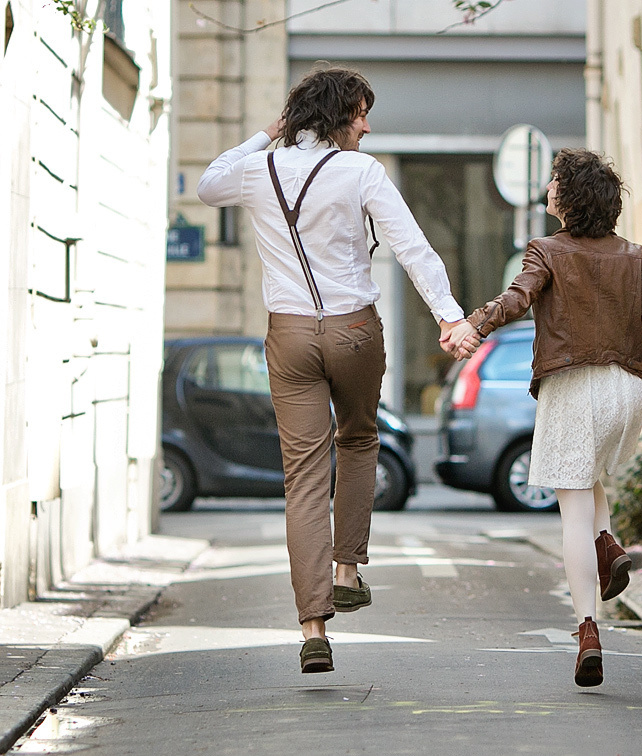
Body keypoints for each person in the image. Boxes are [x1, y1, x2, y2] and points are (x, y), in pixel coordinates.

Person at [198, 65, 477, 675]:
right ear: (336, 117)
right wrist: (450, 317)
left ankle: (312, 627)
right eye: (359, 114)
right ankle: (347, 568)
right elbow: (411, 247)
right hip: (353, 329)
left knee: (302, 476)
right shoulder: (360, 172)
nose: (367, 126)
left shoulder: (257, 169)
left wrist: (263, 135)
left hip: (289, 335)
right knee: (358, 437)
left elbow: (207, 185)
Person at [443, 149, 642, 687]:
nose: (548, 188)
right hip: (628, 393)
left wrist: (473, 326)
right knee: (590, 479)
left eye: (556, 182)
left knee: (572, 511)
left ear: (570, 196)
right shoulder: (634, 255)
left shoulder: (547, 251)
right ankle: (609, 546)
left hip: (575, 391)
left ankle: (588, 631)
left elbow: (516, 299)